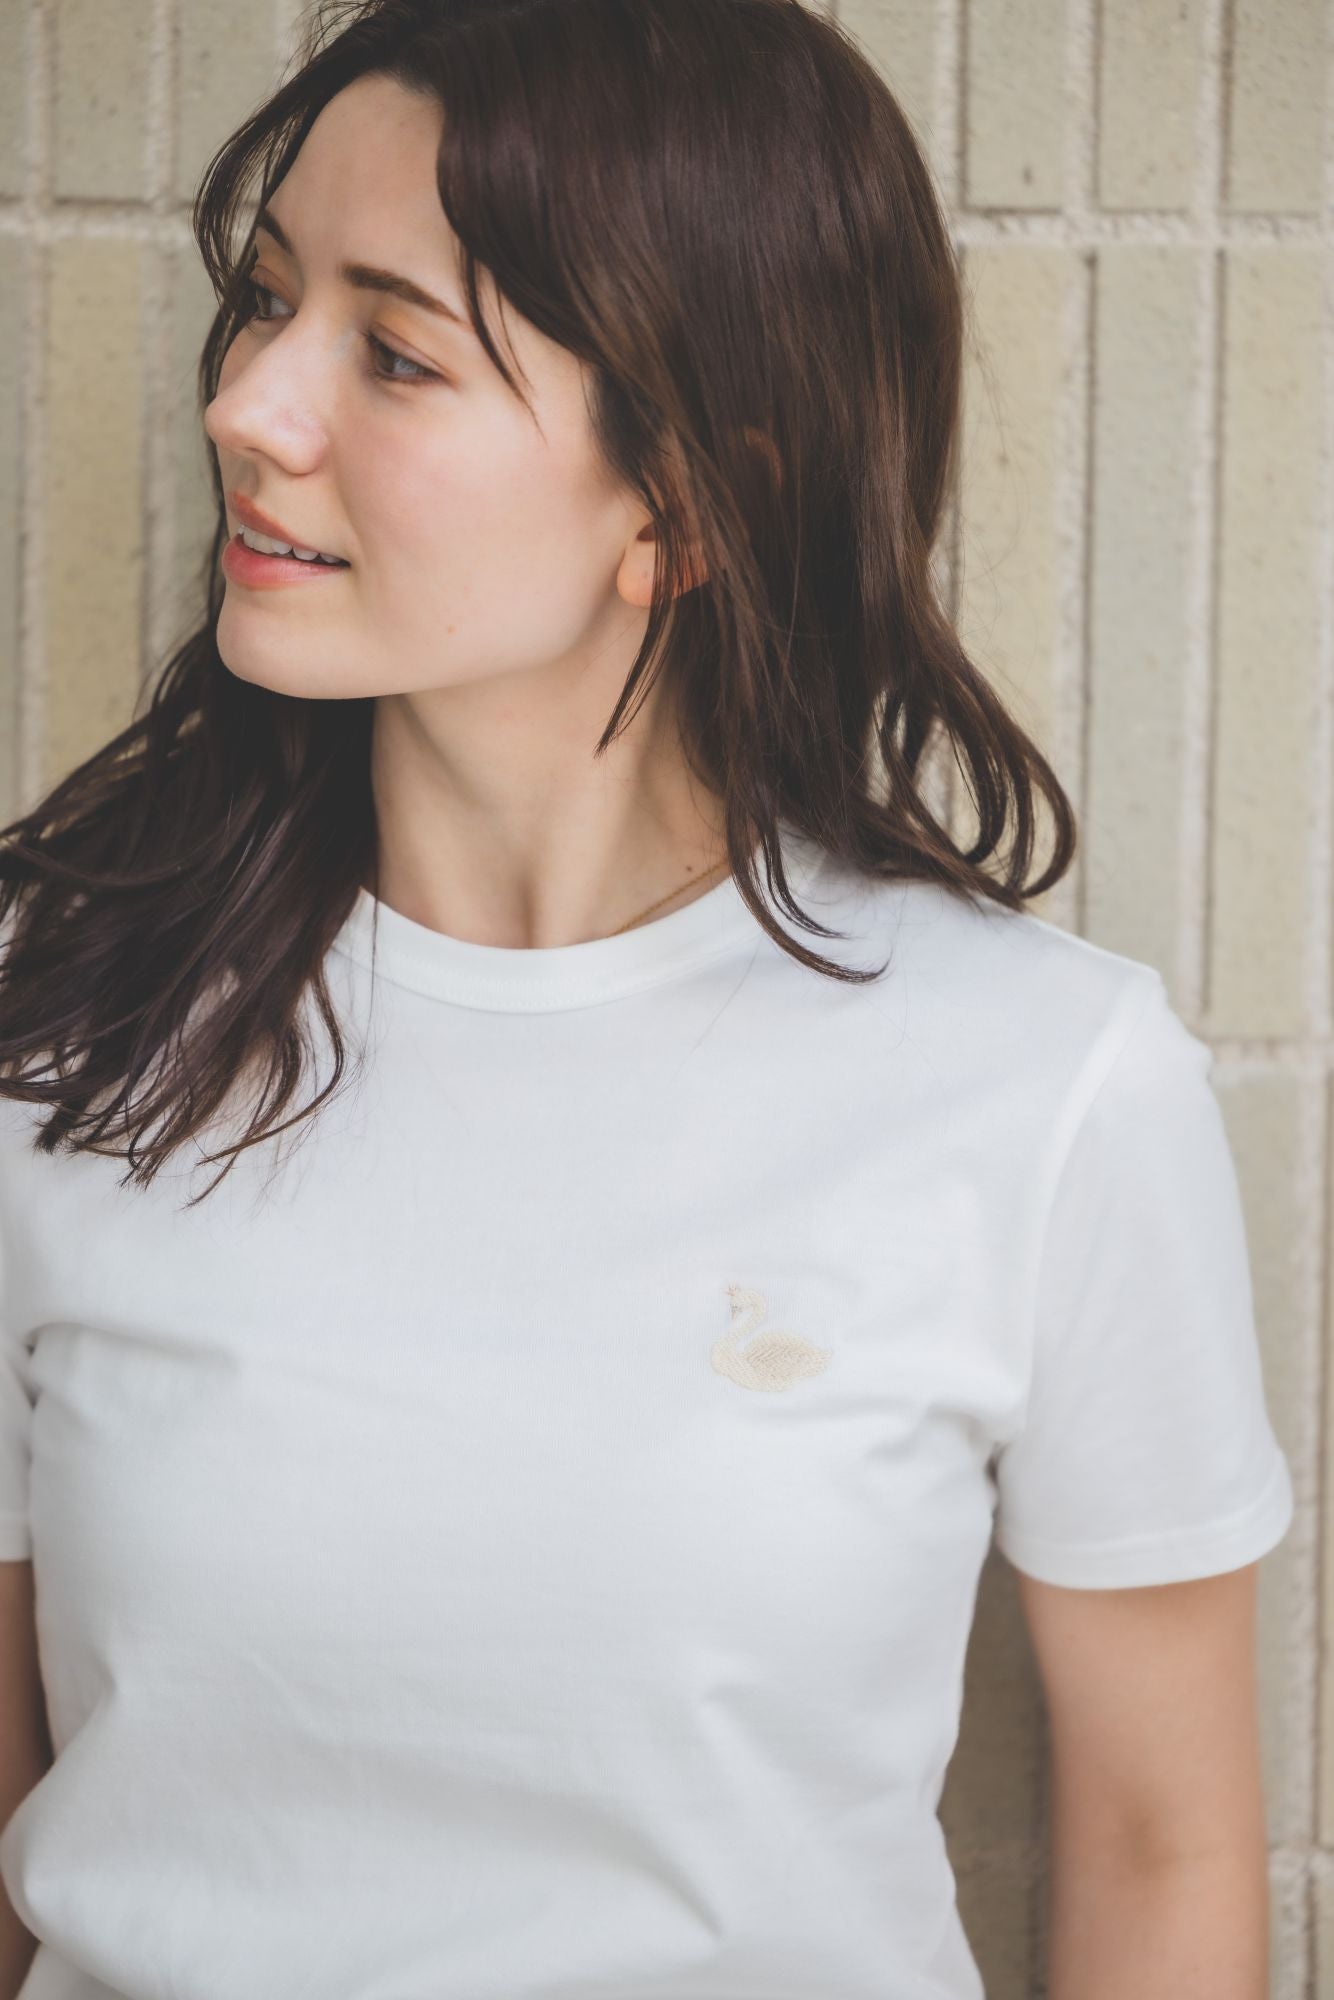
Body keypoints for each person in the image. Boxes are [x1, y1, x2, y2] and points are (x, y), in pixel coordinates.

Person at [0, 0, 1293, 1994]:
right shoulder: (60, 1040)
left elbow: (1160, 1840)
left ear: (683, 507)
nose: (249, 403)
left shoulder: (1044, 1082)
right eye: (266, 299)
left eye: (395, 352)